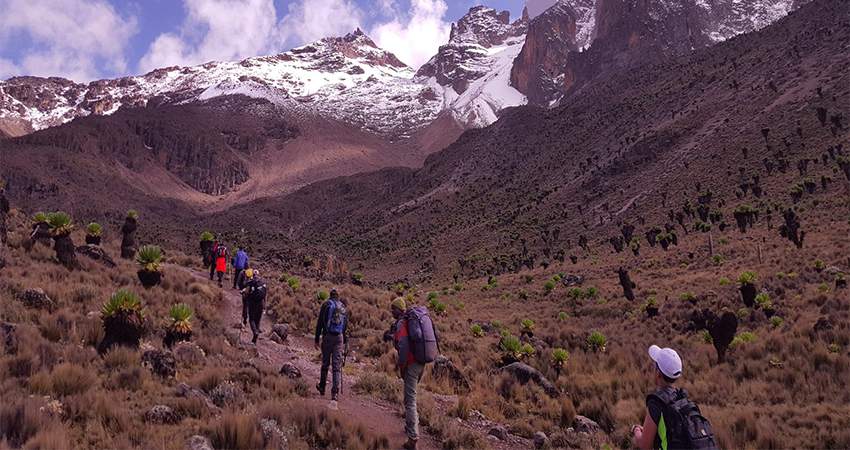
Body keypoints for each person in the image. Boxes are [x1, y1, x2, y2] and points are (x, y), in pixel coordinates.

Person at [633, 345, 717, 450]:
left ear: (658, 373)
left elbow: (644, 445)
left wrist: (636, 429)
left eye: (655, 367)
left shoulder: (656, 403)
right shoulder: (683, 397)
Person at [392, 297, 423, 450]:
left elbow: (403, 344)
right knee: (413, 397)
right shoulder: (412, 320)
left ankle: (413, 440)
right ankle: (412, 426)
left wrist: (401, 365)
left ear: (399, 309)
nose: (392, 311)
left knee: (409, 401)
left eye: (393, 308)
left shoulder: (402, 323)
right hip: (420, 362)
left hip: (411, 364)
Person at [315, 288, 347, 401]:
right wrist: (344, 340)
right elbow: (345, 325)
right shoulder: (342, 306)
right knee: (336, 366)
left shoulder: (326, 305)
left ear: (330, 295)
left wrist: (316, 339)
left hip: (328, 336)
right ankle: (335, 393)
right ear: (338, 296)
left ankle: (322, 387)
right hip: (339, 337)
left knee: (325, 363)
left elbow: (320, 323)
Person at [243, 269, 266, 344]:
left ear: (252, 275)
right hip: (261, 302)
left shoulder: (251, 282)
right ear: (258, 274)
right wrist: (265, 305)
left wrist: (244, 296)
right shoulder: (262, 282)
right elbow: (265, 294)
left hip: (253, 302)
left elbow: (246, 292)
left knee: (252, 319)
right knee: (258, 320)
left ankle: (254, 332)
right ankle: (256, 336)